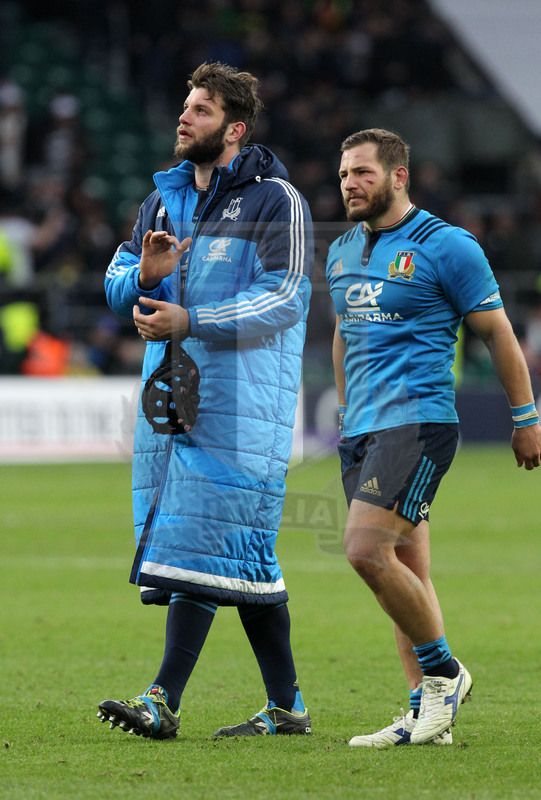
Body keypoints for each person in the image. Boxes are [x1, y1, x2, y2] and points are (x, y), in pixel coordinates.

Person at [98, 62, 313, 740]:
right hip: (172, 404)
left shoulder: (276, 200)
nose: (183, 118)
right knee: (243, 559)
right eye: (184, 106)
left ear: (234, 128)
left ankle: (162, 700)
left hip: (242, 406)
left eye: (199, 110)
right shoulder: (160, 201)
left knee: (197, 540)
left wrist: (191, 321)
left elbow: (285, 297)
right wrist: (145, 278)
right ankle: (287, 707)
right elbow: (116, 284)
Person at [326, 128, 541, 748]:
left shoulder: (448, 246)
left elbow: (498, 334)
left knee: (364, 551)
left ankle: (445, 673)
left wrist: (525, 418)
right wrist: (343, 410)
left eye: (363, 172)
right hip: (362, 430)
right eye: (344, 174)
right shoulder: (341, 252)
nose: (350, 184)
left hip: (417, 422)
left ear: (399, 177)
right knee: (406, 571)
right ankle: (428, 715)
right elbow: (344, 332)